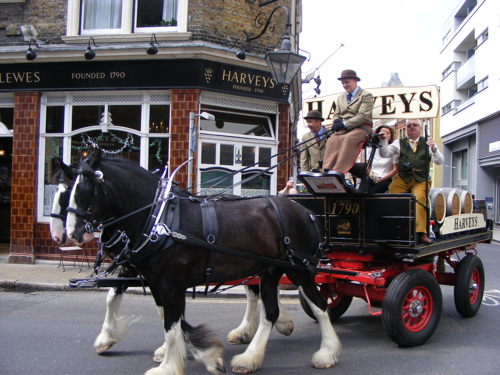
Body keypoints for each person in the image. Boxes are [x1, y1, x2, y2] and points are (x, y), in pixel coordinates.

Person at [379, 119, 444, 245]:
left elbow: (439, 161)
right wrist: (383, 141)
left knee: (419, 199)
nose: (411, 127)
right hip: (403, 178)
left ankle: (421, 233)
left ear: (420, 128)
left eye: (415, 125)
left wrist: (434, 149)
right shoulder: (399, 142)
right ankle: (394, 230)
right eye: (409, 126)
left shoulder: (428, 142)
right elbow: (384, 154)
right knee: (392, 196)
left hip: (420, 179)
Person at [322, 69, 374, 173]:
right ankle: (326, 169)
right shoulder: (340, 97)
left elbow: (363, 115)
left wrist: (345, 124)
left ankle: (339, 170)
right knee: (332, 139)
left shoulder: (365, 95)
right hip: (344, 128)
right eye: (343, 83)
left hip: (361, 127)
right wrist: (336, 121)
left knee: (348, 139)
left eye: (347, 82)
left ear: (355, 81)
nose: (344, 85)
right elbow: (336, 113)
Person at [356, 125, 398, 193]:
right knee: (362, 191)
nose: (385, 135)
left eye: (388, 133)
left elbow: (395, 170)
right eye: (383, 132)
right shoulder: (371, 149)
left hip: (385, 179)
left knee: (372, 192)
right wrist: (371, 174)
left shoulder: (393, 149)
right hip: (372, 176)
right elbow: (368, 165)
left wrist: (380, 180)